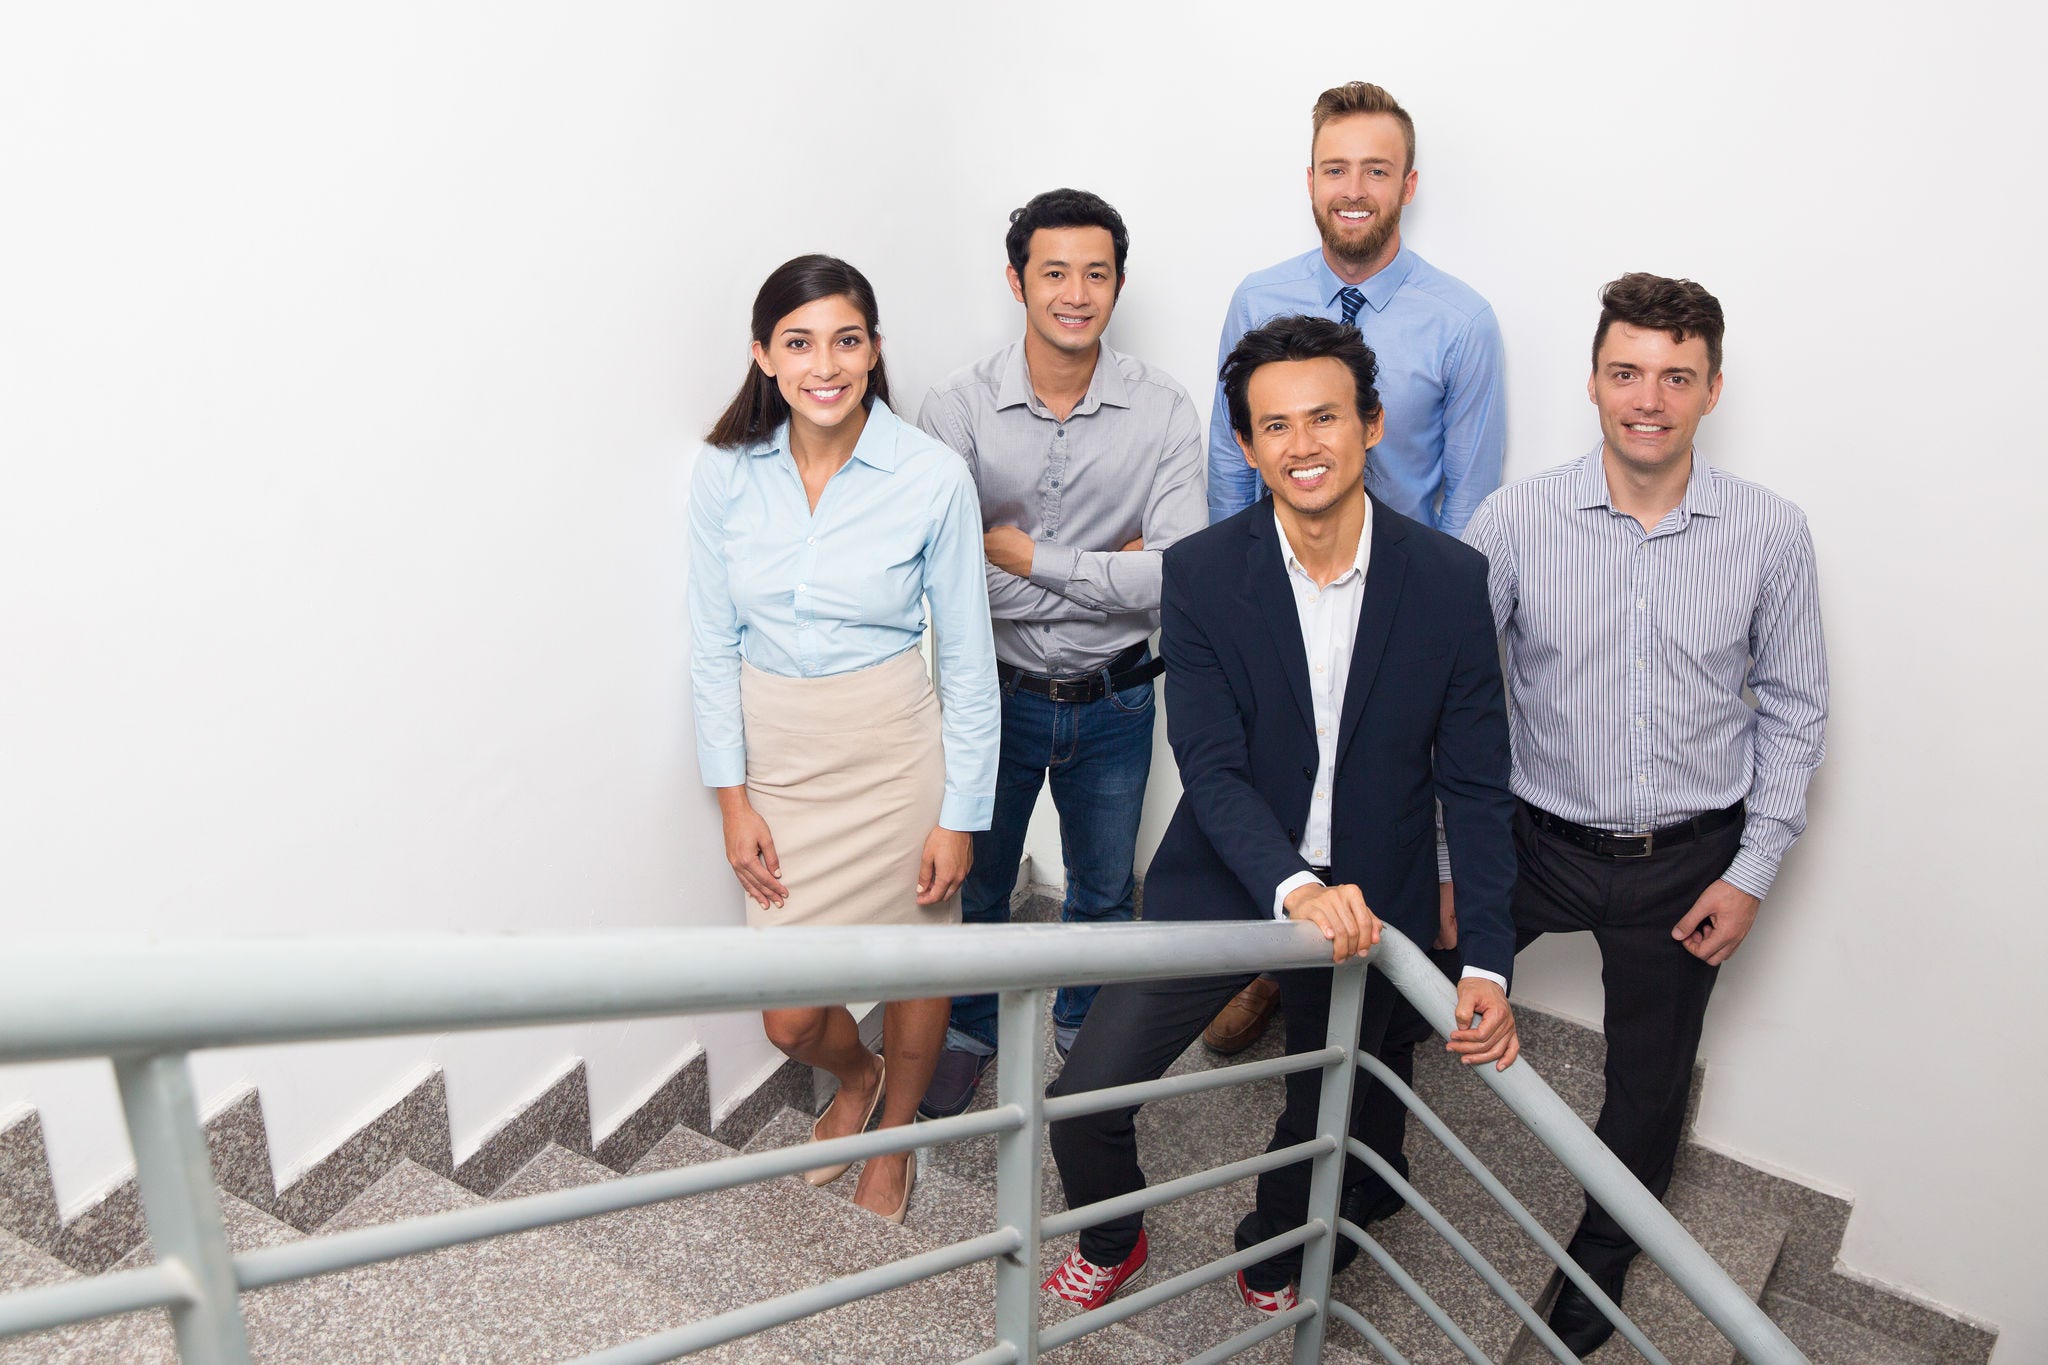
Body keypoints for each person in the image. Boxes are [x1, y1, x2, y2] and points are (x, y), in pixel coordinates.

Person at [1042, 315, 1519, 1316]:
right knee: (1083, 1100)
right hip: (1227, 874)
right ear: (1249, 446)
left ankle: (1272, 1255)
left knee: (1321, 1115)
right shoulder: (1206, 572)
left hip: (1371, 903)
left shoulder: (1447, 581)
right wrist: (1294, 887)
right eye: (1273, 426)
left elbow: (1475, 784)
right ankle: (1112, 1237)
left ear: (1371, 424)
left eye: (1323, 418)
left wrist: (1484, 959)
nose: (1300, 444)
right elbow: (1208, 765)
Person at [1462, 273, 1827, 1353]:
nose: (1648, 398)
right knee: (1399, 996)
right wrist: (1448, 853)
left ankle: (1598, 1267)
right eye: (1625, 372)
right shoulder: (1514, 519)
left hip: (1686, 861)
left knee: (1645, 1089)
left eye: (1675, 376)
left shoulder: (1768, 533)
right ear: (1591, 381)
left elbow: (1797, 711)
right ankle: (1366, 1180)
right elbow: (1455, 696)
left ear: (1711, 389)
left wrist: (1750, 869)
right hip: (1530, 841)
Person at [1199, 81, 1508, 1226]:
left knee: (1379, 866)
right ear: (1311, 176)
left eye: (1377, 170)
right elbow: (1235, 469)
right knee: (1272, 807)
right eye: (1336, 167)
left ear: (1406, 187)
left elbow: (1468, 502)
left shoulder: (1460, 322)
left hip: (1397, 629)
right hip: (1282, 606)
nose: (1354, 190)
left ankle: (1362, 1162)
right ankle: (1273, 971)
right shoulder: (1256, 297)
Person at [689, 254, 999, 1223]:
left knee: (916, 970)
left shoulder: (931, 477)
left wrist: (959, 816)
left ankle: (894, 1139)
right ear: (762, 355)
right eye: (798, 341)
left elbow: (967, 662)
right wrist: (733, 800)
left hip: (897, 755)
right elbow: (709, 649)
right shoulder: (724, 475)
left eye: (846, 339)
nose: (824, 364)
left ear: (874, 349)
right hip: (779, 763)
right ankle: (853, 1077)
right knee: (789, 1014)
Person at [914, 189, 1206, 1119]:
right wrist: (1106, 570)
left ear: (1118, 284)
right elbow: (948, 585)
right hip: (990, 694)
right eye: (1054, 272)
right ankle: (967, 1030)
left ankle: (1086, 1035)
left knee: (1104, 889)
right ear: (1017, 280)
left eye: (1096, 273)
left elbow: (1175, 579)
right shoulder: (955, 407)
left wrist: (1028, 556)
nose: (1075, 293)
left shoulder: (1162, 408)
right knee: (979, 884)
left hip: (1118, 697)